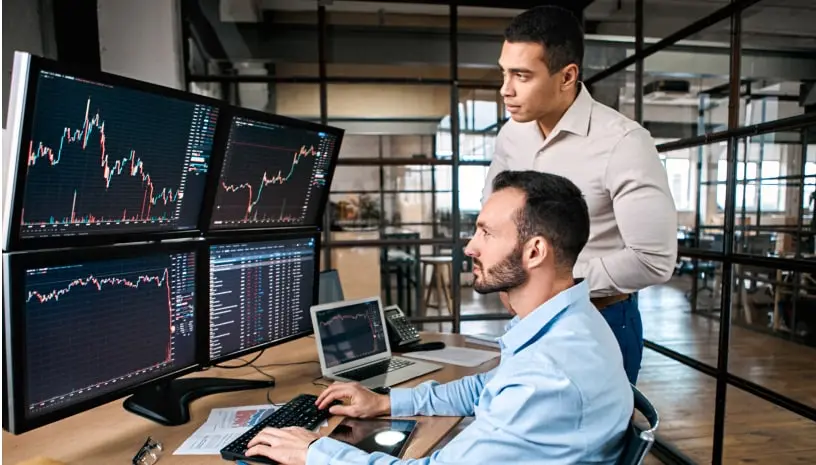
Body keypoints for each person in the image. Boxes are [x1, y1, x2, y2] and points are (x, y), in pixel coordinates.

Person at [244, 170, 633, 465]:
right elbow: (487, 388)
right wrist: (387, 404)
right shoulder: (571, 322)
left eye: (486, 233)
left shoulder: (548, 375)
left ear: (534, 252)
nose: (470, 246)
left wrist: (315, 453)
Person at [484, 6, 678, 384]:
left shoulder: (623, 142)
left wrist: (548, 283)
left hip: (600, 321)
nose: (505, 89)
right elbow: (494, 214)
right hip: (524, 321)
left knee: (592, 442)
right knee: (529, 437)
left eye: (522, 75)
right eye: (504, 72)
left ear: (567, 76)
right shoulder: (512, 134)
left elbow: (654, 259)